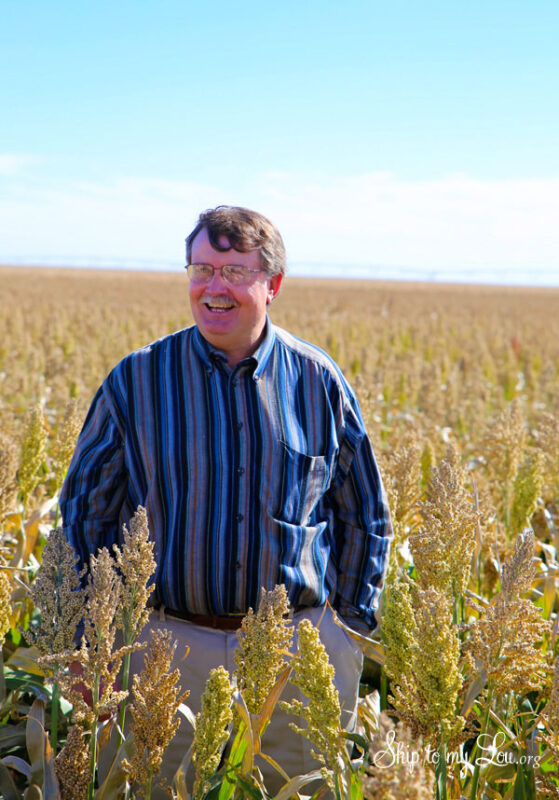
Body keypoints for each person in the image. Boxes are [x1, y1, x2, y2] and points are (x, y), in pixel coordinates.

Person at [60, 205, 392, 794]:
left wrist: (347, 633)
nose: (214, 288)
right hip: (166, 651)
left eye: (234, 272)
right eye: (201, 269)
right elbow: (87, 513)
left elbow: (363, 513)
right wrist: (91, 640)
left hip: (297, 654)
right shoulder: (137, 381)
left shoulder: (318, 383)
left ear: (273, 285)